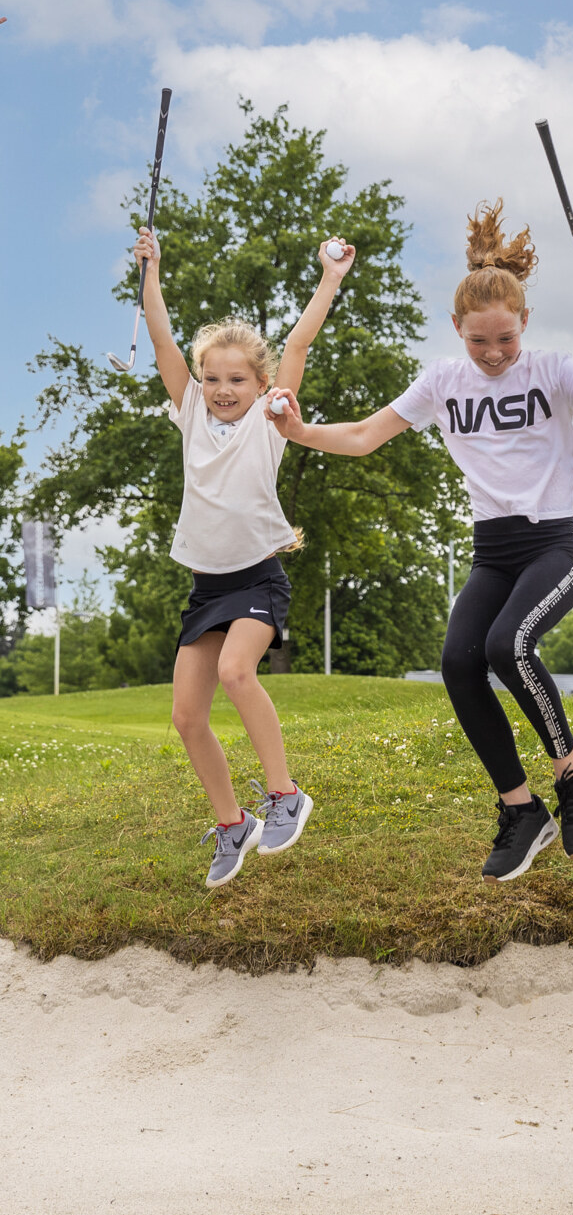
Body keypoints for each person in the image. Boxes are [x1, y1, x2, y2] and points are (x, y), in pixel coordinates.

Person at [268, 201, 573, 882]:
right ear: (457, 331)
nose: (495, 353)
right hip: (492, 552)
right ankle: (521, 808)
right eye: (480, 342)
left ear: (523, 324)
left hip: (552, 545)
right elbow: (364, 435)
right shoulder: (443, 381)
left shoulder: (554, 369)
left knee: (509, 646)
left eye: (505, 339)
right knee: (457, 662)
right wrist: (300, 433)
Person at [136, 226, 355, 888]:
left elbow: (297, 343)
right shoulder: (191, 412)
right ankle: (233, 824)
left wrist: (329, 278)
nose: (223, 388)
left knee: (238, 671)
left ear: (259, 383)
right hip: (206, 589)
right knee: (184, 715)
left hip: (259, 578)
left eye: (236, 379)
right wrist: (151, 271)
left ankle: (286, 795)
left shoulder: (270, 417)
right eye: (212, 378)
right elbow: (162, 340)